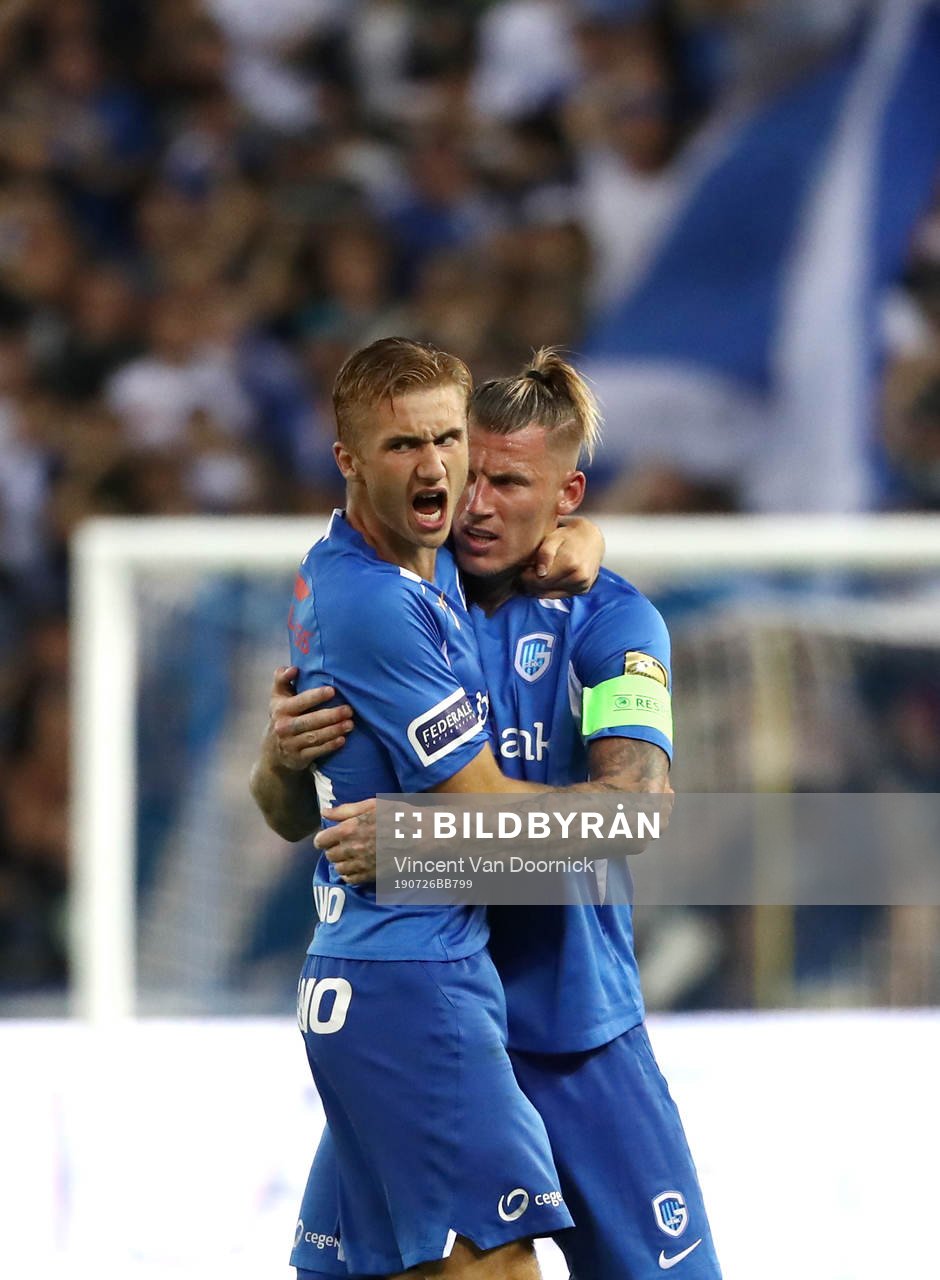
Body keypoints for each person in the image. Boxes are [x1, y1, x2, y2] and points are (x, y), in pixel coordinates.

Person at [259, 349, 723, 1279]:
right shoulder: (409, 597)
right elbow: (290, 818)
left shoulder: (613, 623)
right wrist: (281, 757)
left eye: (512, 483)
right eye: (477, 470)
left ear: (568, 493)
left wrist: (427, 848)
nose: (475, 502)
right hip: (429, 1014)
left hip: (573, 1030)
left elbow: (634, 816)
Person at [259, 335, 576, 1280]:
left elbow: (285, 812)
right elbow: (484, 814)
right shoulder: (377, 607)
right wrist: (618, 820)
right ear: (349, 459)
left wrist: (277, 759)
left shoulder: (367, 561)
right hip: (416, 981)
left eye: (448, 439)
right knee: (498, 1264)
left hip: (370, 978)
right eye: (403, 447)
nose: (435, 466)